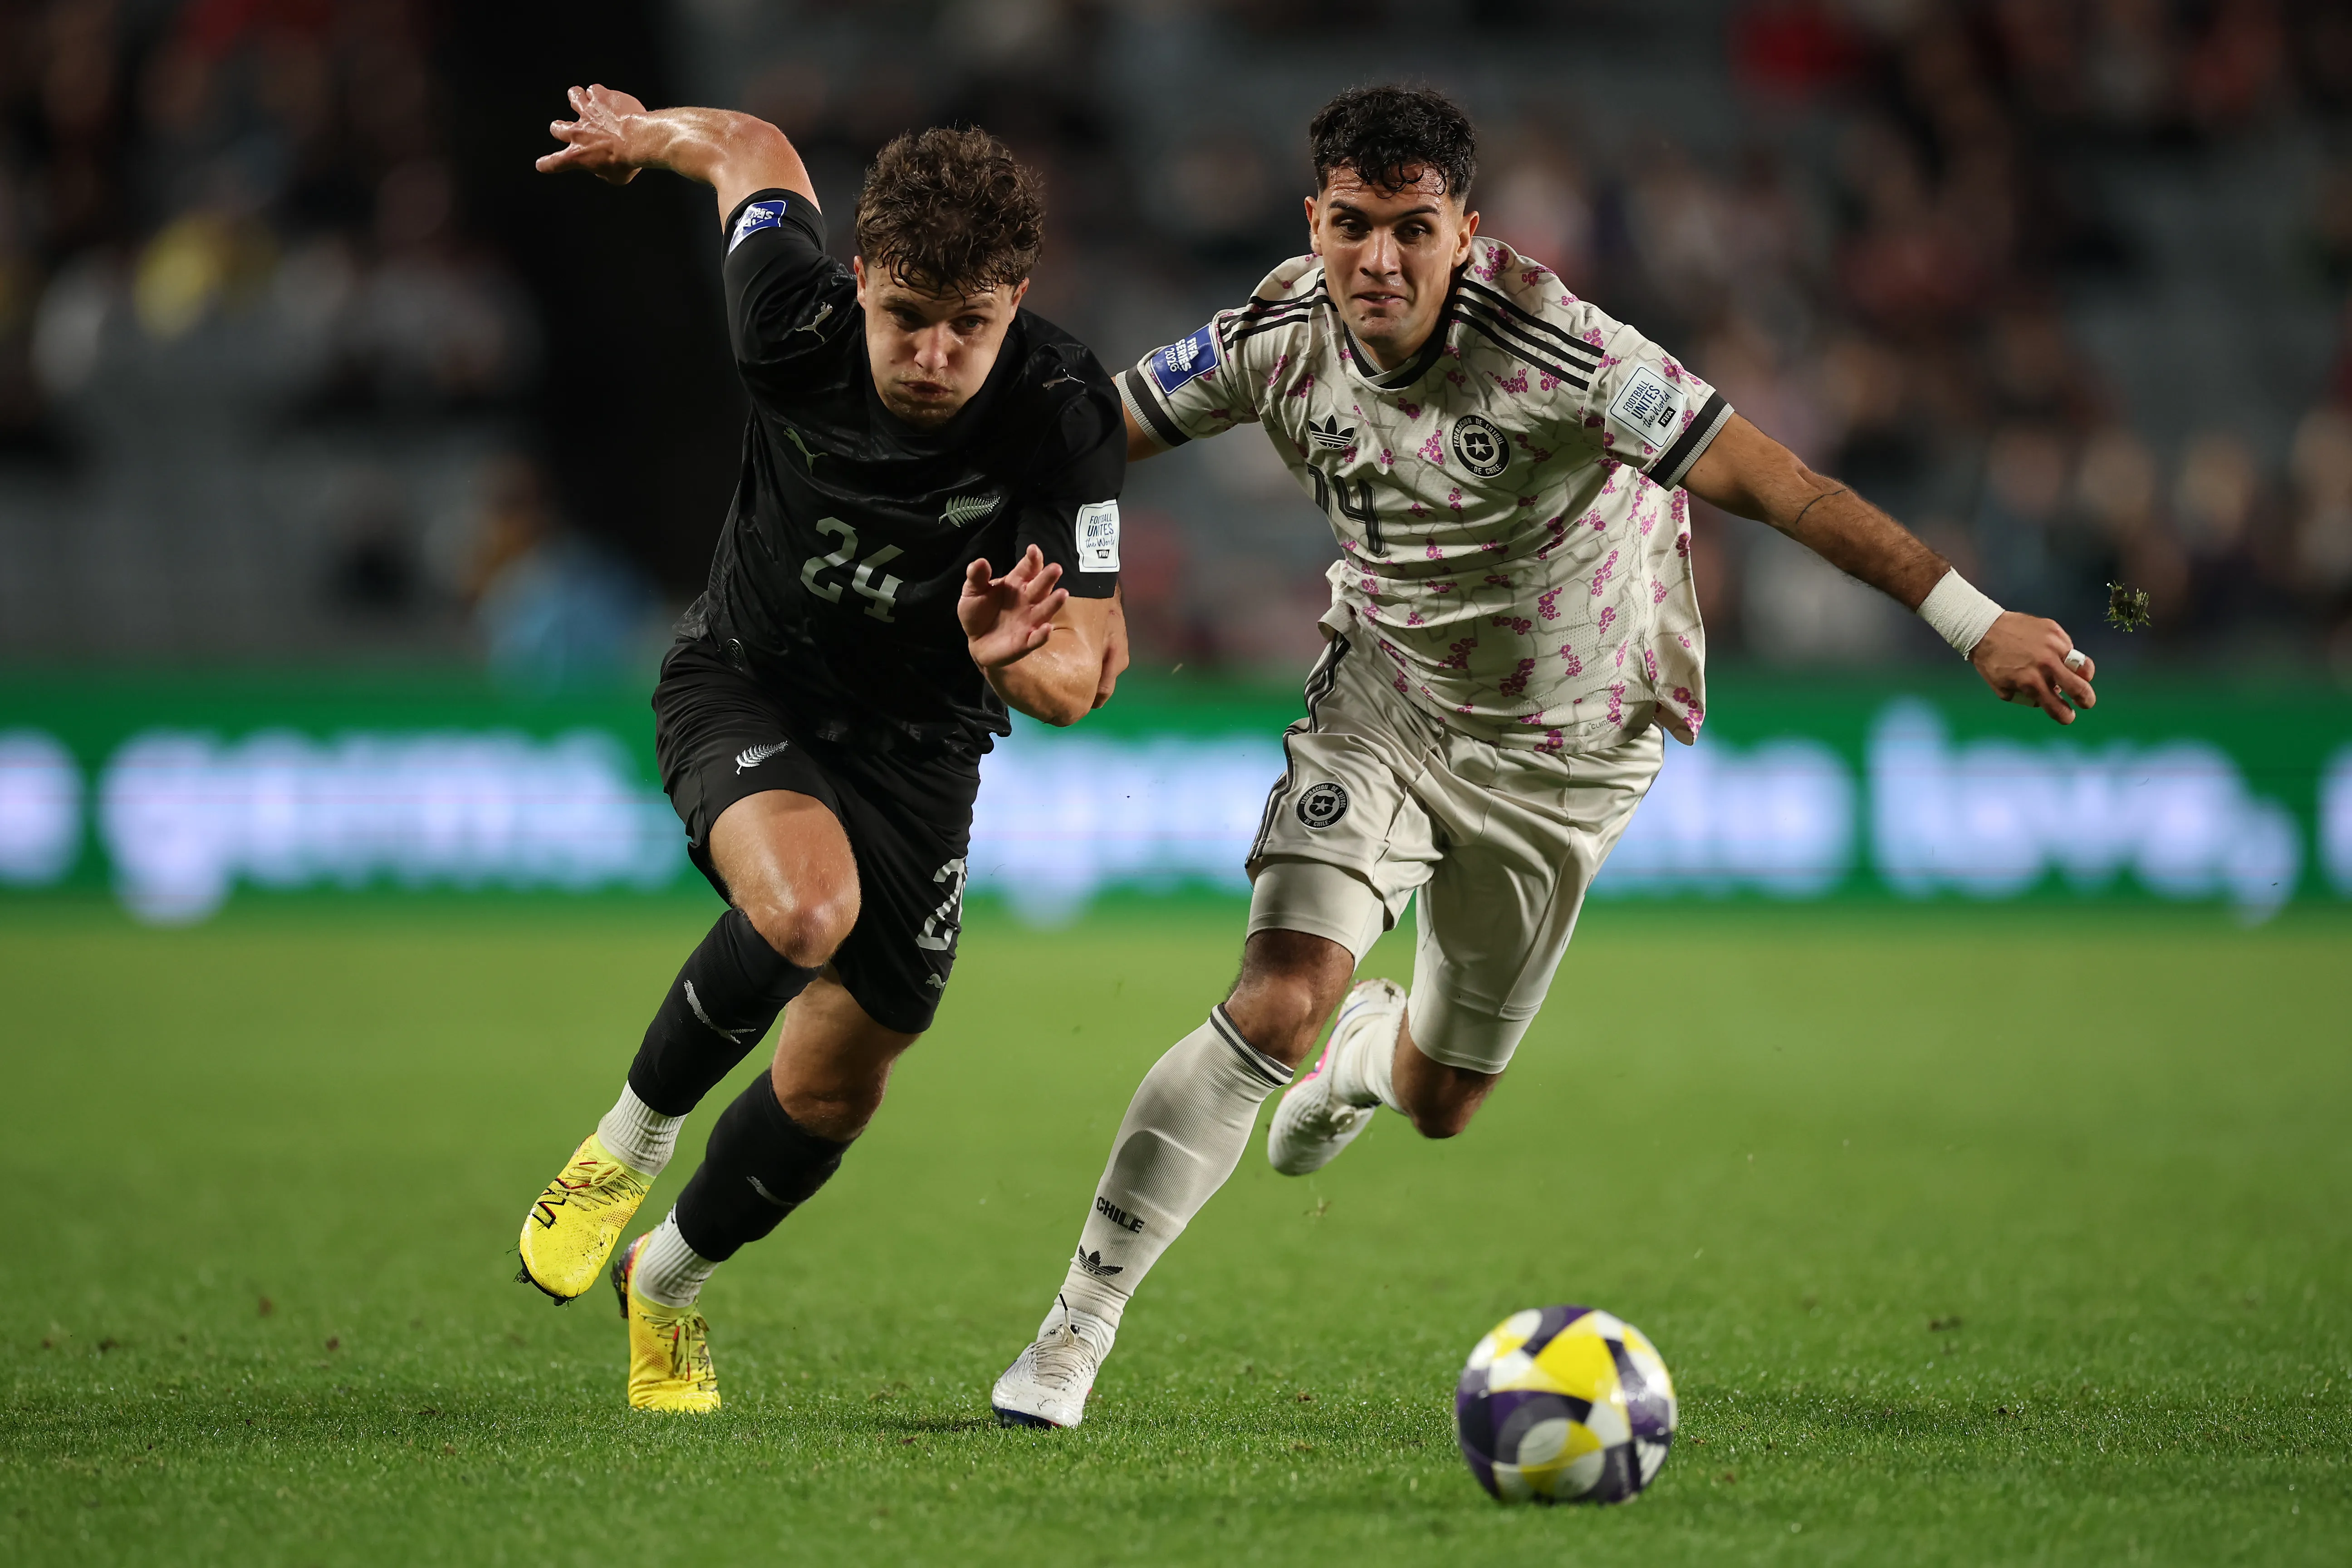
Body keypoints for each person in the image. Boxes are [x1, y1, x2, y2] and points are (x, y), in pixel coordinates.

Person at [989, 84, 2093, 1429]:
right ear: (1312, 219)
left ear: (1467, 229)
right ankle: (1074, 1331)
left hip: (1568, 757)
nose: (1376, 263)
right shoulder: (1277, 336)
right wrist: (1079, 580)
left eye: (1411, 229)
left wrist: (1970, 622)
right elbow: (1081, 430)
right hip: (1384, 706)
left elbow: (1782, 483)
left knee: (1443, 1103)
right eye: (1350, 227)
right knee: (1277, 994)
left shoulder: (1568, 355)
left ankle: (1368, 1060)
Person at [515, 86, 1129, 1413]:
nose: (934, 352)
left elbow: (1087, 670)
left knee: (838, 1083)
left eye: (972, 323)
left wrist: (1008, 653)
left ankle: (667, 1281)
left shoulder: (1065, 410)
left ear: (1017, 298)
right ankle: (622, 1148)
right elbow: (752, 149)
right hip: (752, 683)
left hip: (922, 747)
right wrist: (643, 140)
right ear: (857, 283)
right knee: (803, 910)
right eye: (907, 314)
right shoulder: (786, 323)